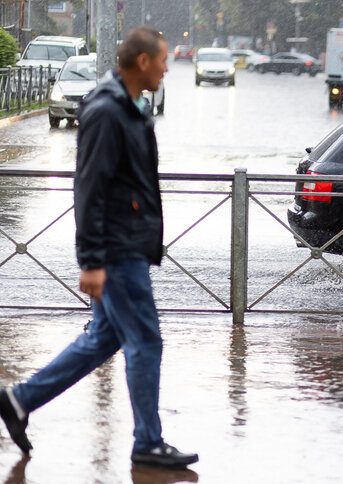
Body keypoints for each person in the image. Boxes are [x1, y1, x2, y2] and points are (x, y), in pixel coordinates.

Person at [0, 26, 198, 469]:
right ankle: (148, 441)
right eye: (163, 59)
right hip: (117, 249)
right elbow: (89, 186)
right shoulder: (109, 110)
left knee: (103, 339)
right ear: (143, 62)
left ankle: (18, 401)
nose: (168, 67)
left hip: (125, 244)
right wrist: (91, 260)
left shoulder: (128, 106)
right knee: (145, 341)